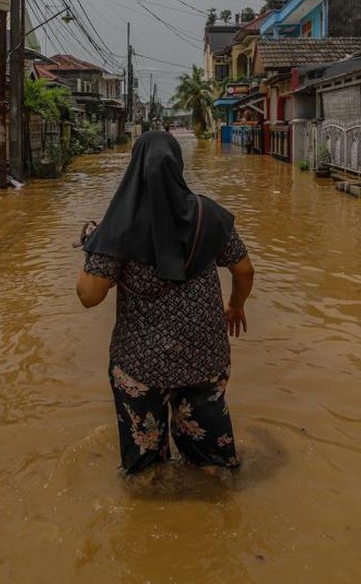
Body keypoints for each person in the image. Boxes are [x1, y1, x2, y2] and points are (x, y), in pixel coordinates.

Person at [76, 131, 255, 476]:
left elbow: (89, 296)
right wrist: (235, 305)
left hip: (140, 365)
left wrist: (93, 245)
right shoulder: (209, 215)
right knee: (213, 464)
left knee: (145, 471)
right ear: (178, 166)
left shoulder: (119, 227)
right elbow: (244, 270)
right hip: (204, 358)